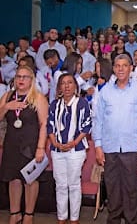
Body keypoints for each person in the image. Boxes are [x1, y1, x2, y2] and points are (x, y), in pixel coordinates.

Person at [92, 54, 137, 224]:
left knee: (131, 188)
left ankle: (132, 220)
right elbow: (98, 120)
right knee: (112, 188)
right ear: (114, 68)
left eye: (124, 65)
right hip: (109, 148)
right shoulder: (106, 91)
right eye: (117, 66)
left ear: (131, 68)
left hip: (131, 148)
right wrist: (97, 146)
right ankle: (114, 220)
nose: (121, 69)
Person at [0, 66, 48, 224]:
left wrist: (41, 148)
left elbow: (44, 125)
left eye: (25, 77)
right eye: (18, 76)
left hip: (31, 145)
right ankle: (15, 213)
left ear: (31, 80)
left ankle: (28, 214)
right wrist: (6, 107)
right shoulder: (7, 96)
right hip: (11, 143)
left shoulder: (38, 98)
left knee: (30, 180)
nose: (21, 80)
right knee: (13, 180)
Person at [47, 73, 92, 224]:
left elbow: (87, 126)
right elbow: (50, 126)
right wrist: (55, 143)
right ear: (59, 87)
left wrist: (73, 142)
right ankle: (61, 217)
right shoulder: (54, 104)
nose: (66, 86)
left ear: (75, 86)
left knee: (73, 184)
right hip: (57, 150)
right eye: (63, 83)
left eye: (70, 83)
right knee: (60, 184)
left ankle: (74, 218)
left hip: (76, 149)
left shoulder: (82, 103)